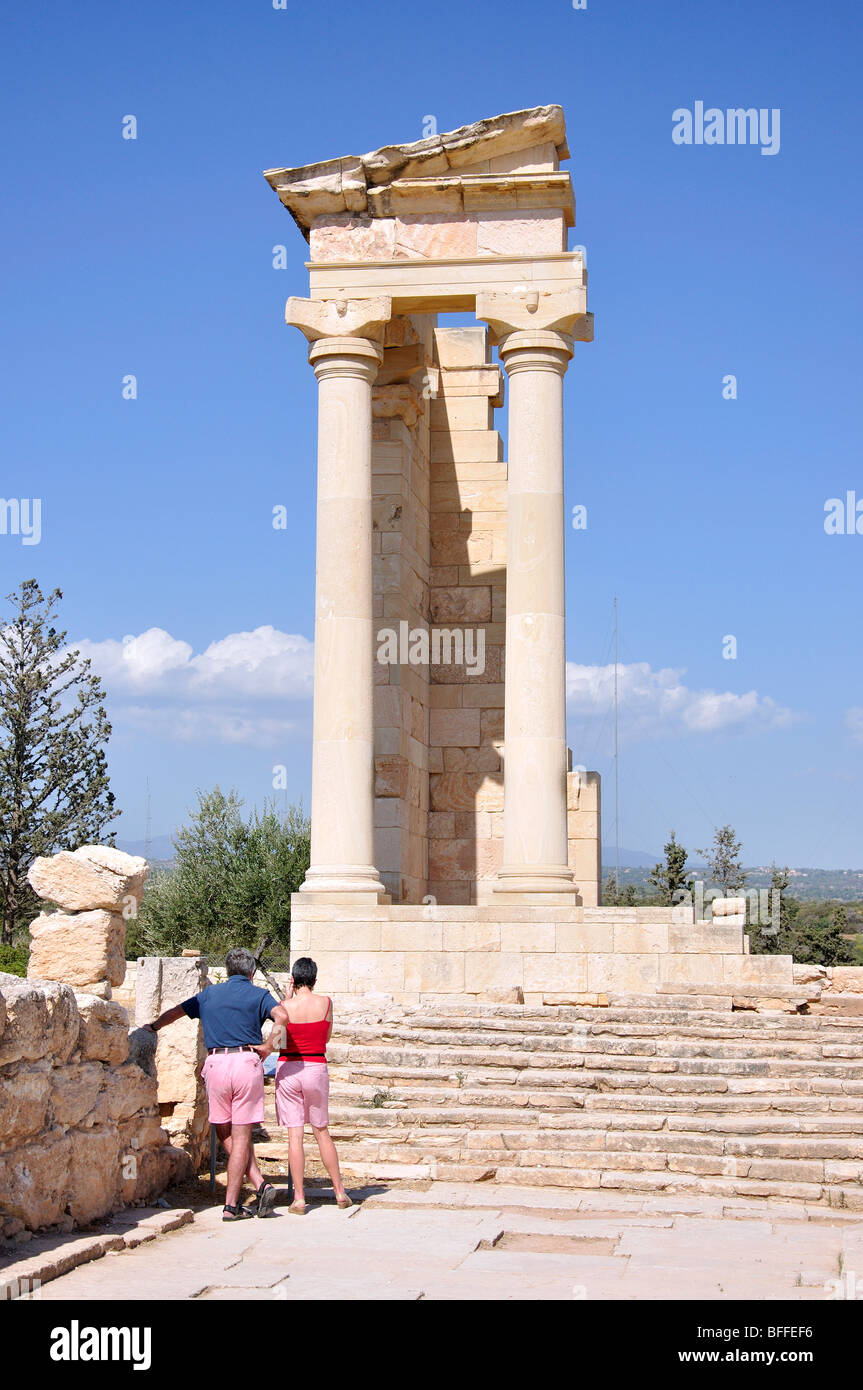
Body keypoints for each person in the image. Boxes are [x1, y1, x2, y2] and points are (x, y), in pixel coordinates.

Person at [144, 946, 290, 1222]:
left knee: (224, 1133)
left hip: (216, 1064)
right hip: (247, 1062)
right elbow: (282, 1017)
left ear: (226, 970)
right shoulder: (259, 995)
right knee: (243, 1134)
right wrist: (270, 1046)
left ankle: (256, 1186)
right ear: (252, 972)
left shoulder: (209, 994)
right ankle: (233, 1203)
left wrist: (153, 1027)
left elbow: (176, 1011)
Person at [258, 956, 352, 1214]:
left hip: (289, 1069)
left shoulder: (283, 1007)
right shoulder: (326, 1003)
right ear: (314, 979)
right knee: (321, 1130)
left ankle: (299, 1198)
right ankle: (340, 1191)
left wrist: (286, 1000)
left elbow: (277, 1041)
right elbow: (327, 1037)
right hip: (315, 1067)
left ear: (293, 980)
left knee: (295, 1135)